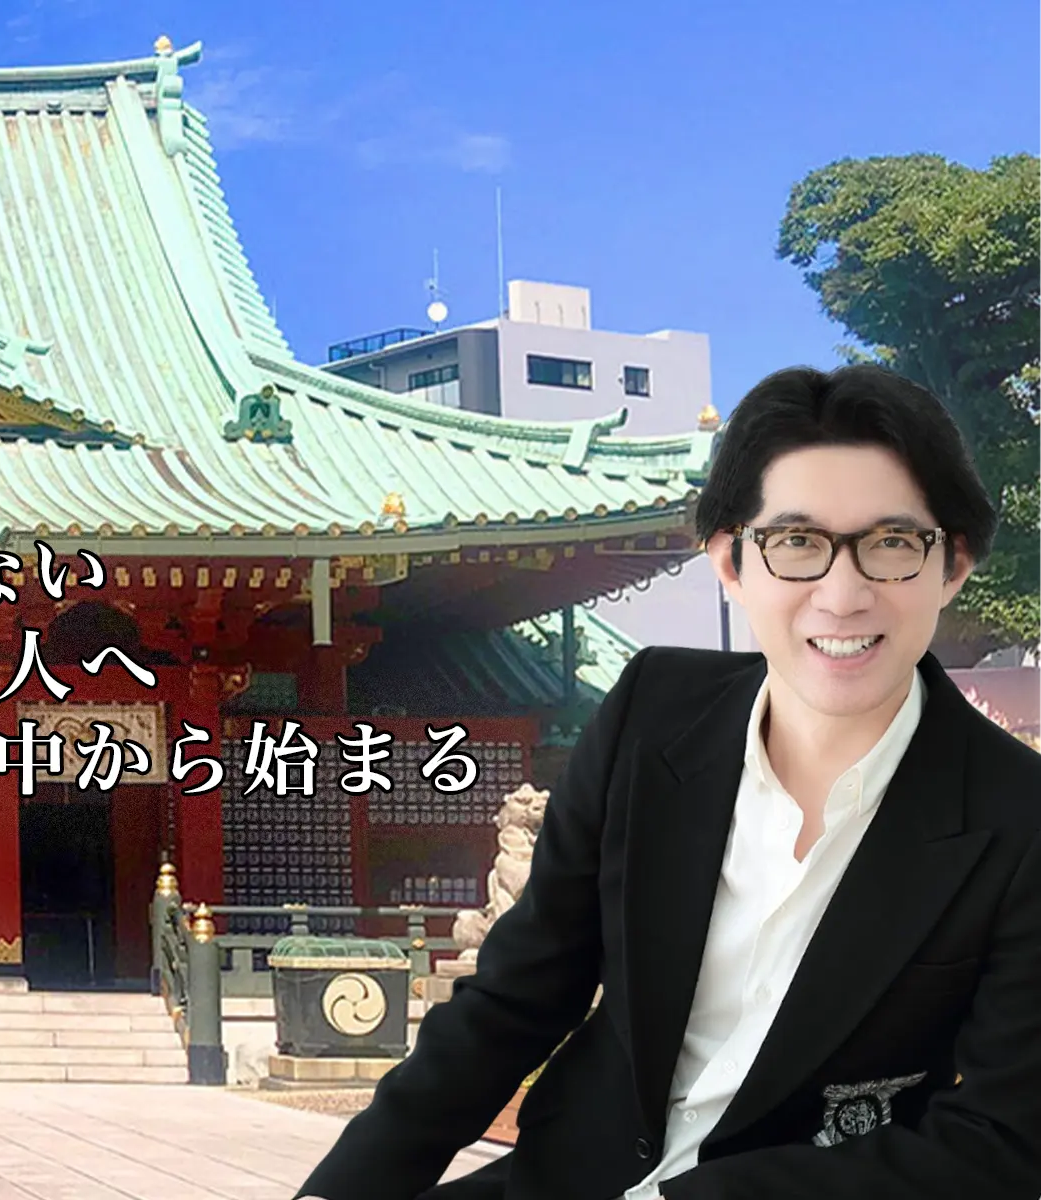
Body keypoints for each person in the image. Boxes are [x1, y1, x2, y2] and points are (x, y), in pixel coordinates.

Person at [298, 364, 1041, 1199]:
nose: (842, 595)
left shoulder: (1022, 821)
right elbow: (516, 997)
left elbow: (1001, 1145)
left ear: (954, 564)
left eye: (893, 544)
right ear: (731, 562)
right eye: (796, 543)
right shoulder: (652, 713)